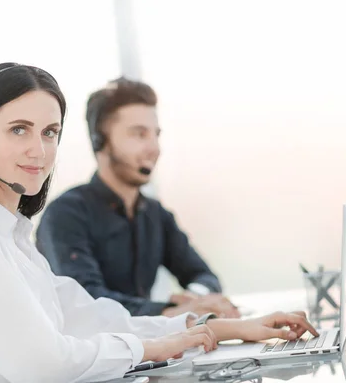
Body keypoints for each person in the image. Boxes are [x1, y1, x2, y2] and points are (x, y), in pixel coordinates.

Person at [0, 63, 318, 383]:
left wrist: (219, 327)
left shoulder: (11, 237)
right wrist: (158, 345)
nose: (39, 151)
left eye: (49, 133)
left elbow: (91, 316)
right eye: (19, 130)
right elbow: (43, 363)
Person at [36, 77, 241, 319]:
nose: (154, 148)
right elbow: (87, 303)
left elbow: (203, 275)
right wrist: (169, 312)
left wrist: (194, 297)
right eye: (139, 134)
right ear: (100, 141)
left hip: (148, 348)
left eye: (156, 135)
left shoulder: (154, 213)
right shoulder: (65, 215)